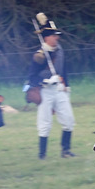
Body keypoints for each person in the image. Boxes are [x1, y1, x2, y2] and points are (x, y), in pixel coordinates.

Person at [27, 13, 75, 159]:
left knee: (68, 119)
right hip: (45, 91)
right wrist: (44, 80)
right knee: (44, 123)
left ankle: (65, 150)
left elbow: (64, 70)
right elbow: (31, 77)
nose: (57, 38)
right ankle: (42, 154)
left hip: (60, 89)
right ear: (46, 37)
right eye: (54, 36)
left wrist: (66, 85)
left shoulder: (60, 51)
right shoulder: (39, 55)